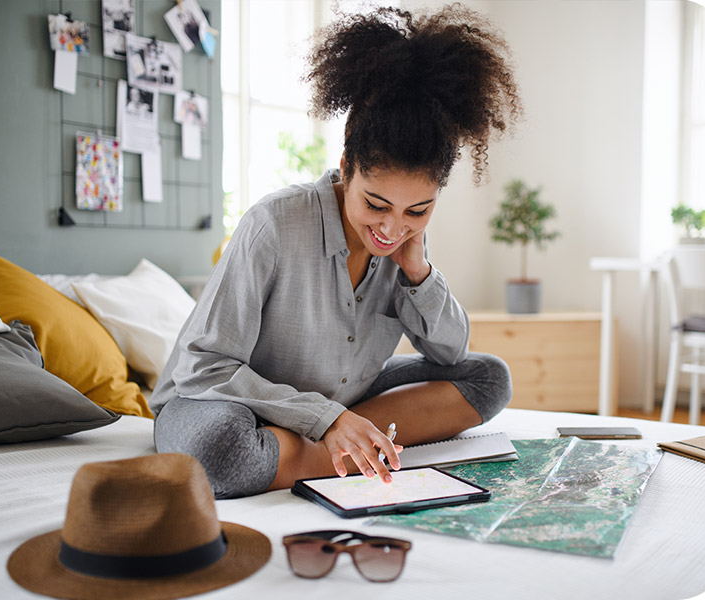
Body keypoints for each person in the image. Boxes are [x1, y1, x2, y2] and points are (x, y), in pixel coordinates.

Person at [152, 4, 522, 499]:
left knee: (489, 377)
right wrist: (327, 418)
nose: (392, 228)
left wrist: (418, 271)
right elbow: (205, 367)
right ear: (347, 164)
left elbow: (451, 354)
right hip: (227, 401)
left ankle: (318, 445)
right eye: (376, 204)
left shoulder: (403, 243)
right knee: (221, 451)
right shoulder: (275, 224)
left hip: (342, 392)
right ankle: (341, 445)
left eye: (418, 210)